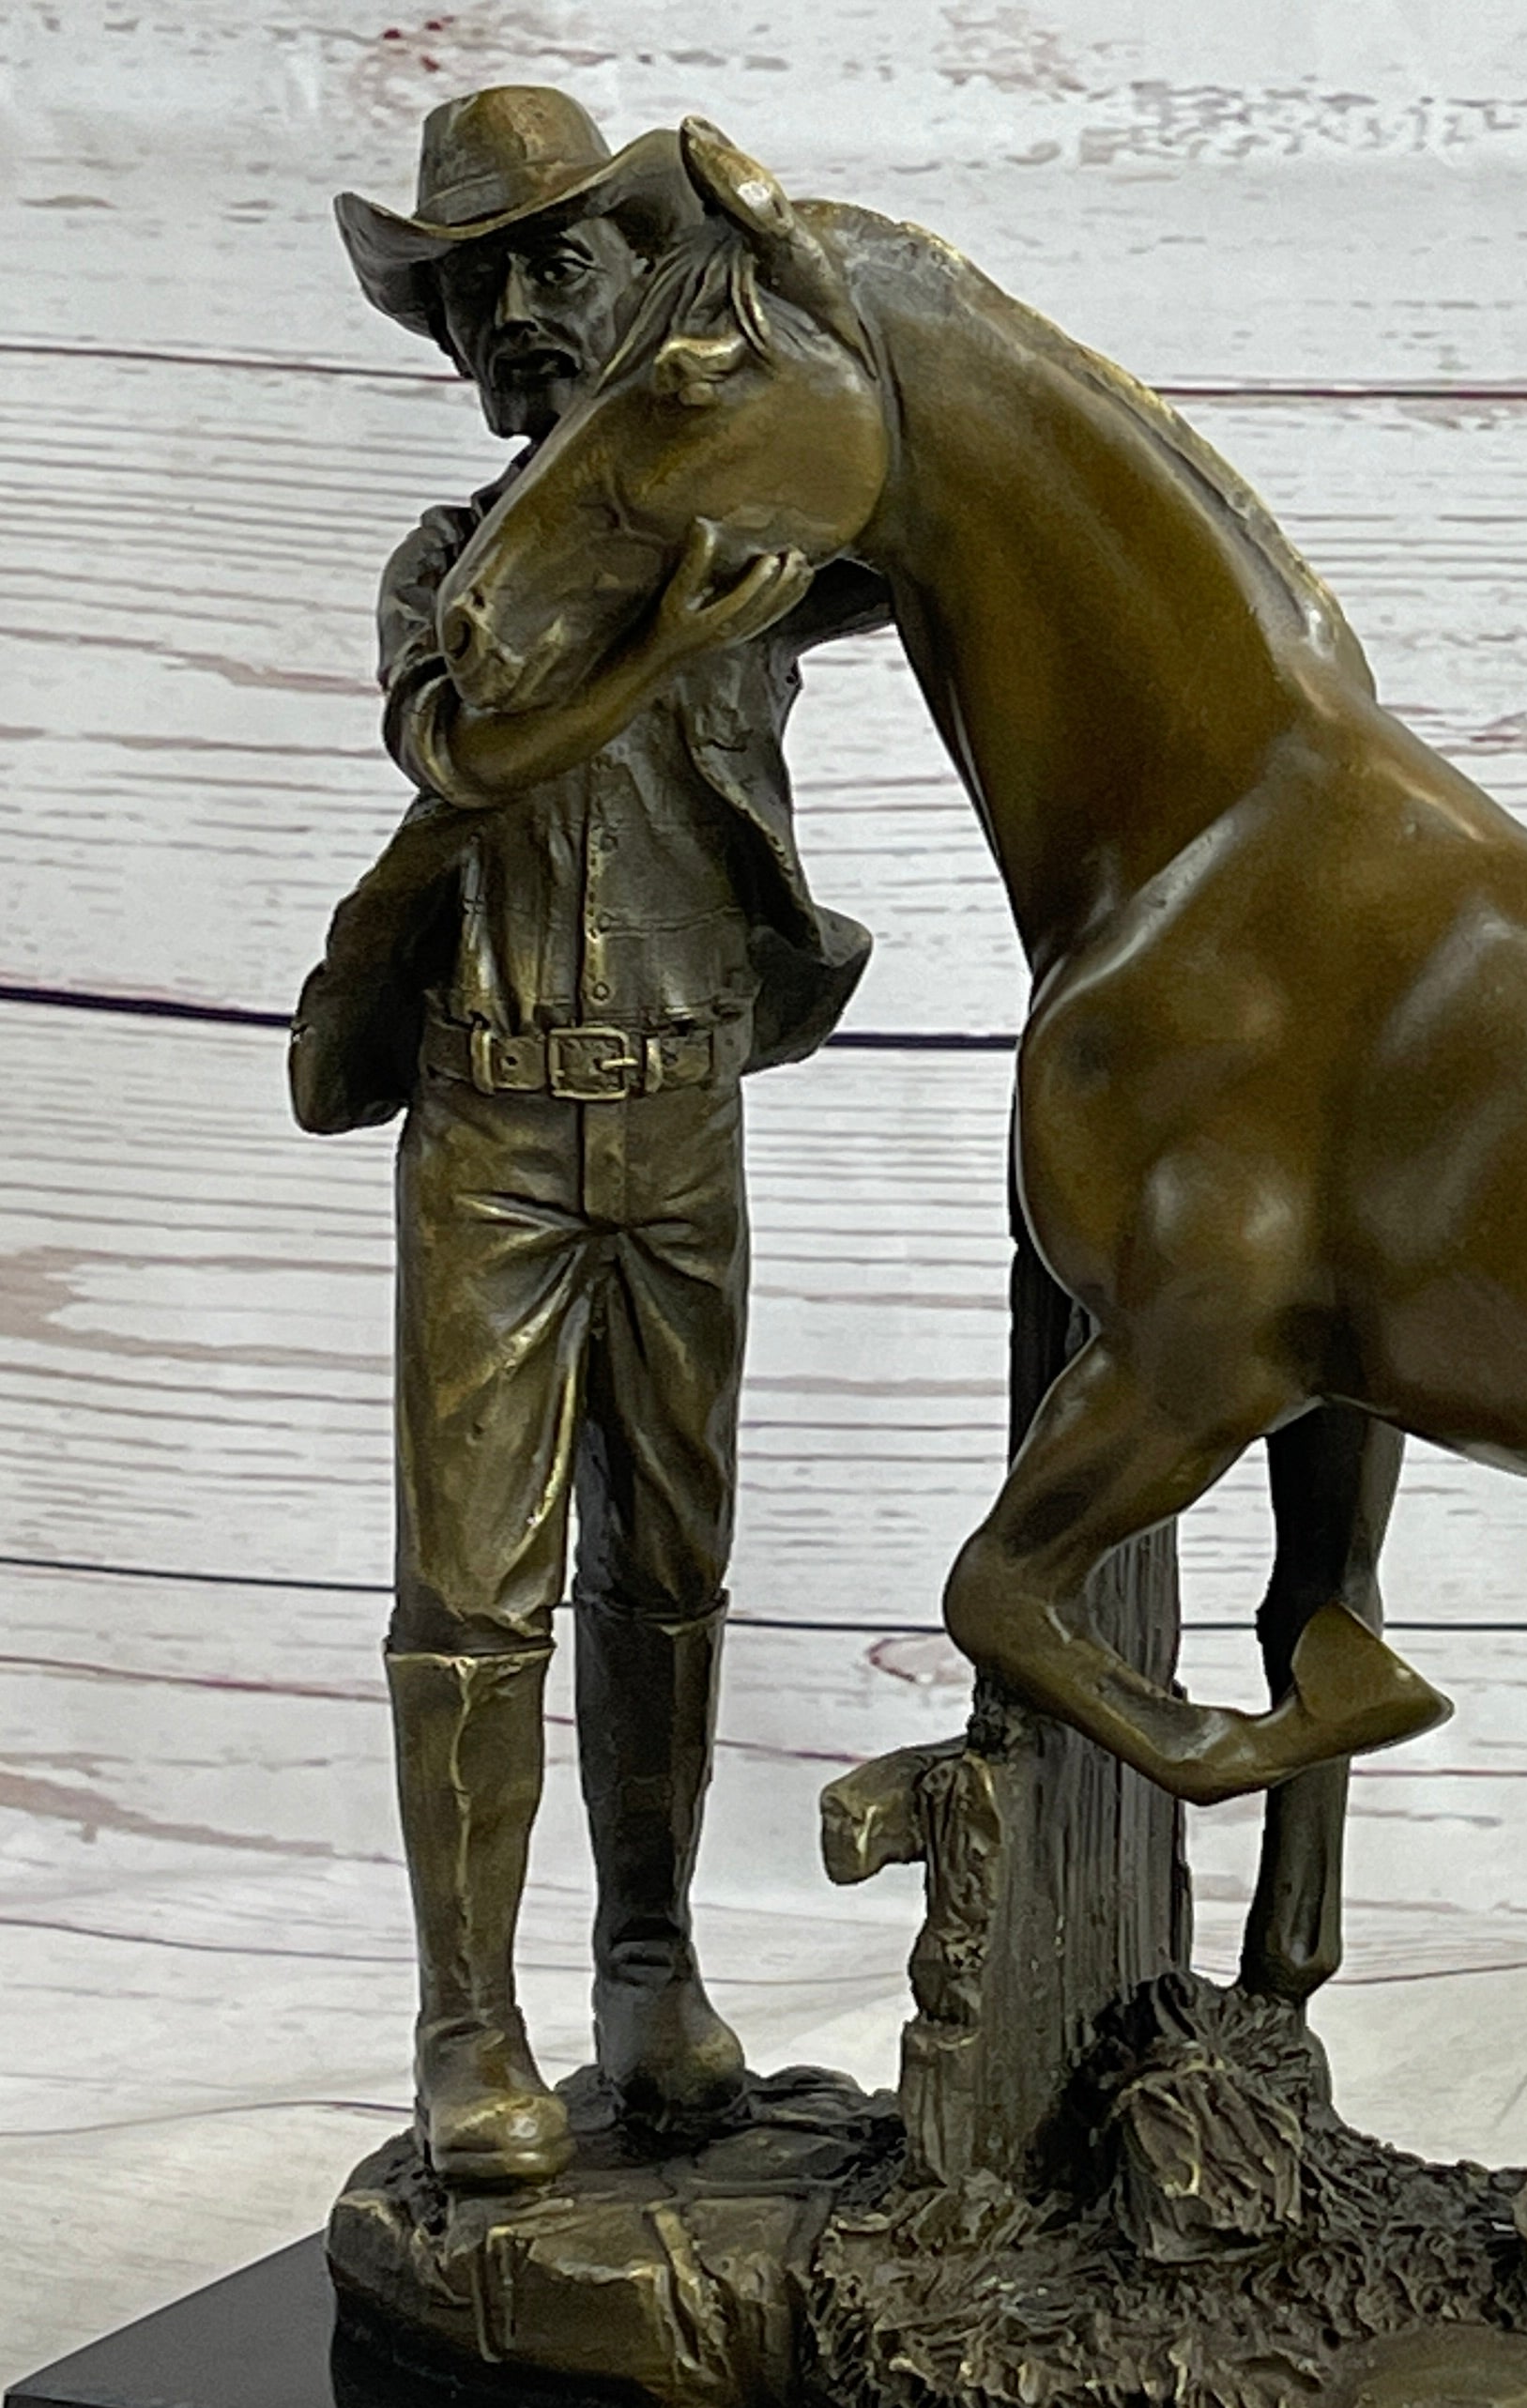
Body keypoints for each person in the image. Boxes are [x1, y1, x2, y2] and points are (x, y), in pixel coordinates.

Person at [294, 87, 882, 2186]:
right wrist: (669, 639)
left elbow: (909, 453)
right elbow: (470, 745)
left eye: (564, 260)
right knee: (475, 1601)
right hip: (497, 1137)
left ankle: (652, 1973)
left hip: (685, 1124)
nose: (525, 310)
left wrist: (780, 260)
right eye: (480, 287)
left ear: (644, 285)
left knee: (673, 1576)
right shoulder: (450, 571)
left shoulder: (753, 547)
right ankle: (468, 2029)